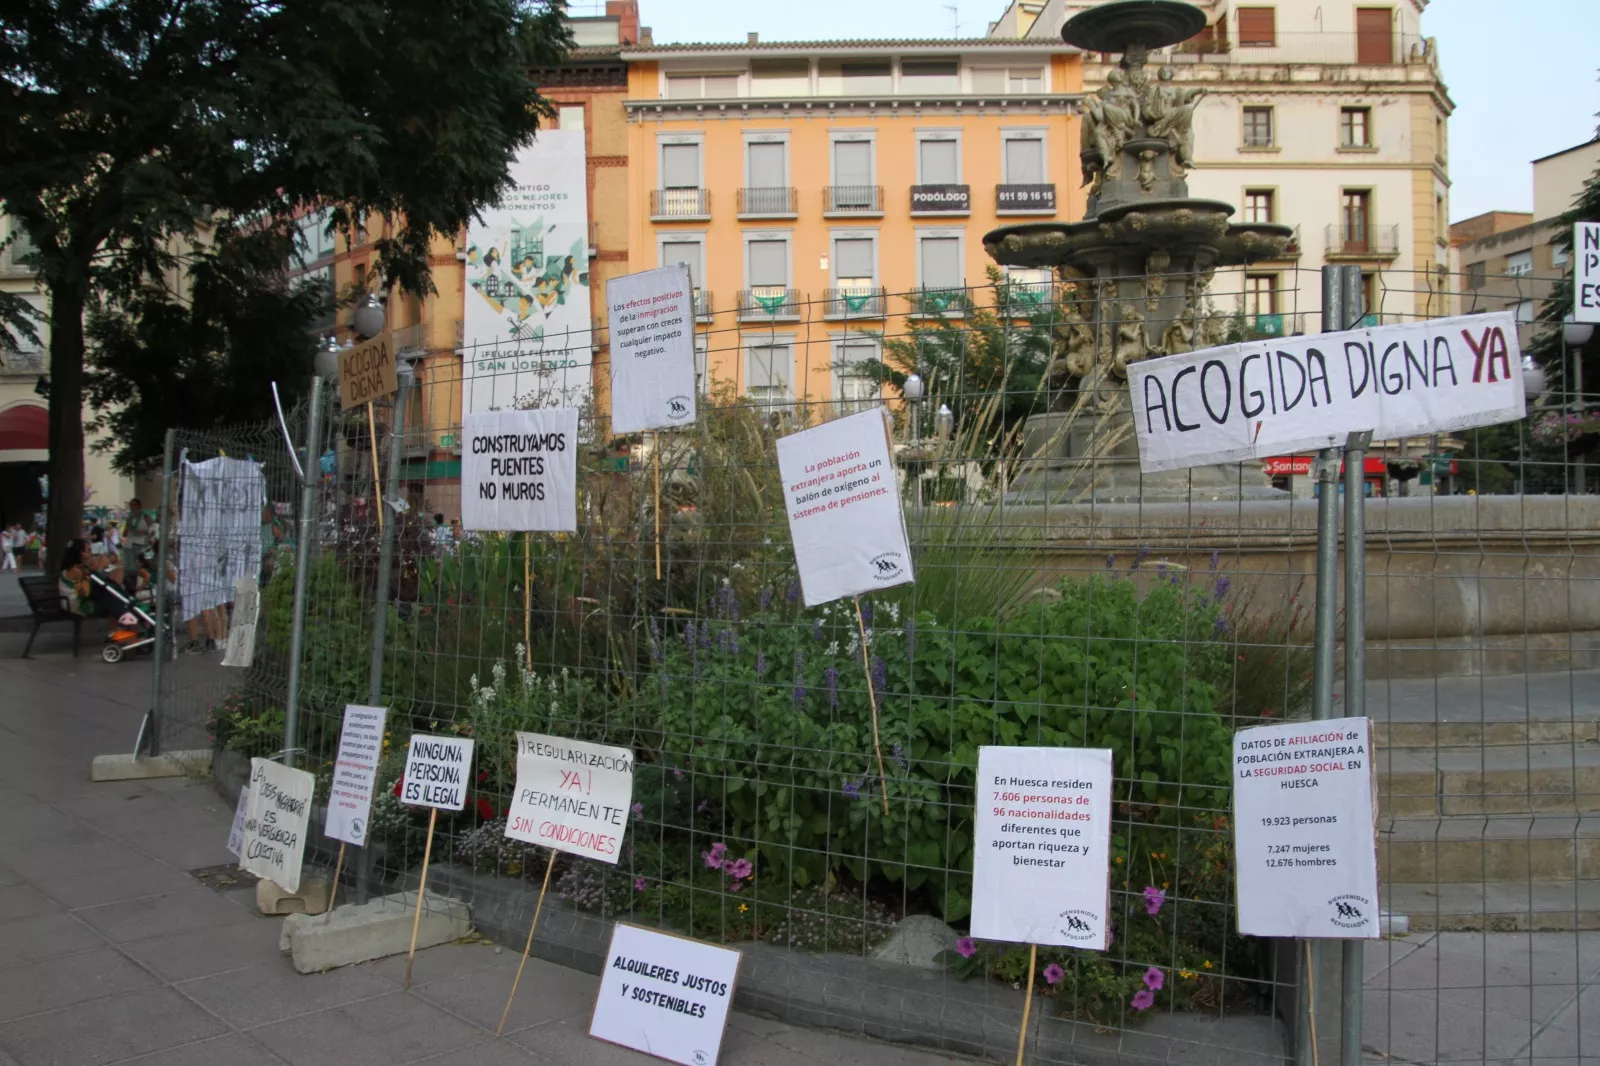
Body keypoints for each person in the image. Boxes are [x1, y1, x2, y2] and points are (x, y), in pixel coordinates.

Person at [122, 499, 154, 573]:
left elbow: (152, 531)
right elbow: (124, 534)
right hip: (130, 546)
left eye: (134, 505)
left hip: (142, 546)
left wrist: (142, 532)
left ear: (139, 506)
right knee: (131, 568)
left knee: (145, 566)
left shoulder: (145, 517)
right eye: (131, 505)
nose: (132, 507)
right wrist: (127, 531)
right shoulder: (129, 518)